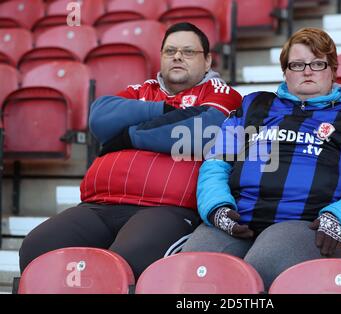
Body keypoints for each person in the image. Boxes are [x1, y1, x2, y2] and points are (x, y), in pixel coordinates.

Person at [19, 22, 242, 279]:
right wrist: (162, 111)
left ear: (207, 61)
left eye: (188, 52)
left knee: (126, 262)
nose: (177, 56)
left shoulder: (220, 92)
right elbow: (100, 118)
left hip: (164, 208)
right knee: (37, 249)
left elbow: (203, 130)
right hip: (98, 205)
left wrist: (128, 135)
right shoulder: (140, 90)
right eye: (169, 51)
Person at [182, 27, 341, 290]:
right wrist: (217, 208)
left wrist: (340, 217)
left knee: (262, 269)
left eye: (318, 63)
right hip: (239, 218)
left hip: (304, 223)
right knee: (191, 271)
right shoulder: (254, 105)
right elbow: (217, 161)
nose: (307, 71)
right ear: (285, 71)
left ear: (333, 70)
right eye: (297, 65)